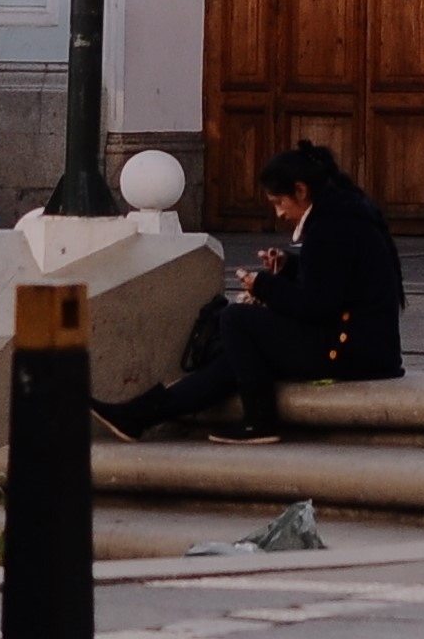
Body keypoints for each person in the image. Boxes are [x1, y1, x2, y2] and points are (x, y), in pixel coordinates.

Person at [96, 141, 405, 440]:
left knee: (236, 319)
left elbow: (317, 306)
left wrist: (264, 286)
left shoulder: (328, 227)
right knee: (238, 357)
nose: (280, 214)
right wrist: (288, 267)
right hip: (368, 349)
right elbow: (338, 279)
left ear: (301, 190)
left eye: (279, 202)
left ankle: (260, 420)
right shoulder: (344, 216)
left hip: (349, 352)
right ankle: (139, 415)